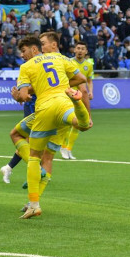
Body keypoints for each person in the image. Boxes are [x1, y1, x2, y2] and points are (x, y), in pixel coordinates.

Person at [13, 35, 91, 219]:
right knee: (79, 125)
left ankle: (34, 204)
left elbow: (24, 96)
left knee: (32, 154)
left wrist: (18, 95)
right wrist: (63, 85)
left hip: (45, 108)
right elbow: (81, 79)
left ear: (33, 50)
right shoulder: (60, 57)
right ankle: (79, 108)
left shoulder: (26, 67)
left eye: (23, 51)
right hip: (65, 102)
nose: (22, 55)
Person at [61, 41, 94, 160]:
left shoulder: (88, 65)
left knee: (78, 124)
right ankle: (63, 147)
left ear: (86, 51)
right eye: (78, 48)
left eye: (82, 49)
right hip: (69, 95)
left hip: (81, 96)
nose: (80, 50)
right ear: (74, 50)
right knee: (70, 123)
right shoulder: (69, 62)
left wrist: (91, 91)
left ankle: (68, 149)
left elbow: (89, 80)